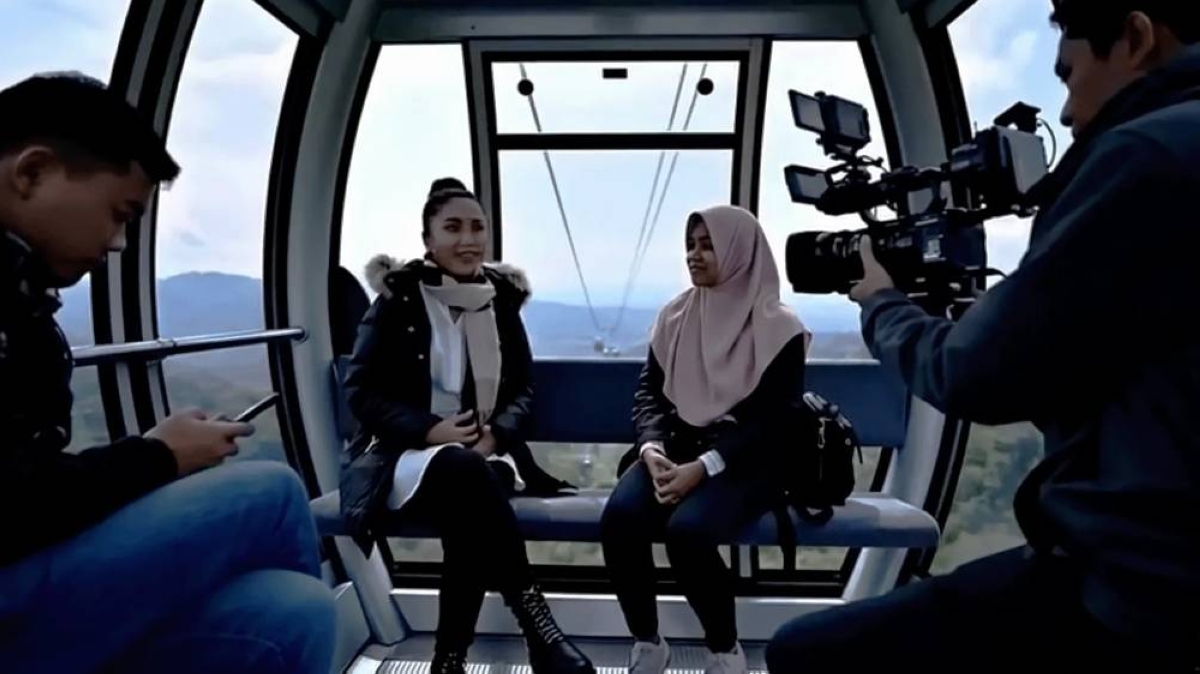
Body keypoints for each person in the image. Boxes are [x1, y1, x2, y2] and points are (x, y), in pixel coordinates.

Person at [767, 2, 1200, 671]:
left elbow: (973, 373)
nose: (1066, 114)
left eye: (1068, 75)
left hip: (1140, 594)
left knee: (806, 655)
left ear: (1138, 37)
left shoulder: (1145, 157)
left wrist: (881, 303)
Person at [0, 73, 335, 674]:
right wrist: (156, 457)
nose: (119, 243)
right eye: (119, 214)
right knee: (274, 493)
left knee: (296, 612)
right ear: (33, 173)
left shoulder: (20, 297)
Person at [339, 177, 594, 674]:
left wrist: (494, 435)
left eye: (477, 227)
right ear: (428, 239)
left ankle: (450, 659)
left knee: (469, 504)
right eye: (452, 228)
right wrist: (429, 430)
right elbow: (361, 391)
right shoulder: (399, 299)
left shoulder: (500, 298)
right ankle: (539, 630)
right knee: (466, 479)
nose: (468, 239)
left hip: (484, 455)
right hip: (403, 455)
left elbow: (523, 387)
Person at [601, 205, 810, 674]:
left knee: (688, 532)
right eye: (691, 245)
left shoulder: (780, 328)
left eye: (708, 245)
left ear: (740, 252)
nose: (694, 255)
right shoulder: (676, 315)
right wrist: (651, 448)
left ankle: (725, 650)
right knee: (620, 518)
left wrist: (705, 467)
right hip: (675, 448)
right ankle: (647, 642)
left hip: (746, 460)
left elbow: (771, 422)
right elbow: (650, 393)